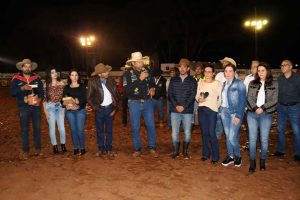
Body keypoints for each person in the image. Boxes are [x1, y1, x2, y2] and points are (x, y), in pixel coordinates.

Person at [123, 51, 158, 157]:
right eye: (138, 61)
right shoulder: (127, 74)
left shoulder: (147, 70)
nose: (141, 63)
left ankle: (152, 147)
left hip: (147, 102)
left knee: (151, 125)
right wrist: (139, 79)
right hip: (134, 103)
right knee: (135, 127)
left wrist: (153, 89)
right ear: (133, 63)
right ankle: (137, 149)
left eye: (141, 61)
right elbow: (127, 90)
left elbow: (152, 83)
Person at [10, 58, 44, 160]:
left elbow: (41, 92)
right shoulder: (16, 79)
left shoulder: (36, 78)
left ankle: (38, 149)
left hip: (35, 107)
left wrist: (39, 100)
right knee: (25, 129)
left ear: (31, 68)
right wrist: (22, 88)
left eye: (29, 66)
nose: (27, 68)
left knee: (37, 128)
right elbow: (12, 92)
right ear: (22, 67)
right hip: (23, 107)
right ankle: (26, 150)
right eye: (25, 66)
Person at [247, 62, 278, 172]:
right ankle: (252, 162)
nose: (260, 72)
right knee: (252, 139)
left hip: (266, 114)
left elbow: (274, 99)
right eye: (258, 70)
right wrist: (256, 108)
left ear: (267, 71)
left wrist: (263, 108)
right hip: (252, 114)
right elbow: (249, 98)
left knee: (264, 139)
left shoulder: (274, 83)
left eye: (262, 70)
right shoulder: (252, 83)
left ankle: (262, 161)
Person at [87, 63, 118, 159]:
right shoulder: (92, 82)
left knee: (109, 130)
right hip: (99, 109)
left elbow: (117, 96)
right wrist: (96, 107)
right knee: (99, 130)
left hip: (109, 109)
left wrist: (114, 109)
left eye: (107, 71)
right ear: (99, 74)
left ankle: (108, 148)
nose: (107, 73)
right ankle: (101, 149)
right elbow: (89, 97)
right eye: (105, 72)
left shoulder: (111, 81)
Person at [168, 58, 197, 159]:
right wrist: (176, 105)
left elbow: (192, 95)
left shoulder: (192, 80)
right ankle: (176, 151)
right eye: (181, 67)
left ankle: (185, 152)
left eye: (185, 67)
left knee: (187, 132)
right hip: (174, 110)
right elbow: (170, 95)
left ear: (188, 68)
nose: (182, 69)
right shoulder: (173, 79)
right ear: (179, 68)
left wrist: (184, 106)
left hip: (187, 111)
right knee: (174, 132)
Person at [273, 60, 300, 161]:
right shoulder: (279, 79)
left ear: (290, 67)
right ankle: (280, 150)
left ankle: (298, 152)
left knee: (296, 131)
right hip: (281, 107)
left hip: (295, 107)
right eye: (281, 65)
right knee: (280, 129)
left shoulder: (297, 79)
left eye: (285, 65)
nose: (282, 67)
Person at [220, 63, 246, 167]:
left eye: (230, 71)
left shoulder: (240, 84)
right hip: (224, 112)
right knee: (227, 136)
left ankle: (237, 156)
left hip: (235, 113)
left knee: (232, 137)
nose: (228, 73)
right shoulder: (223, 84)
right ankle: (230, 156)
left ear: (234, 72)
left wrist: (239, 115)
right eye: (226, 71)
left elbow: (243, 101)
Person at [195, 65, 222, 164]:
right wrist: (199, 100)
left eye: (209, 72)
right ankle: (206, 154)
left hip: (212, 111)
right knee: (204, 133)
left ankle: (216, 155)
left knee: (211, 133)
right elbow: (197, 95)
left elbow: (220, 98)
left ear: (213, 73)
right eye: (206, 71)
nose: (207, 74)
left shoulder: (217, 83)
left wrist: (215, 107)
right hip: (201, 109)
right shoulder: (200, 82)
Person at [63, 69, 87, 156]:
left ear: (78, 76)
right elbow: (62, 100)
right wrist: (66, 105)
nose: (74, 77)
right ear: (70, 77)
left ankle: (82, 147)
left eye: (76, 75)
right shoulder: (66, 87)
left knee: (80, 130)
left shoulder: (82, 86)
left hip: (80, 110)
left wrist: (78, 103)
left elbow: (85, 99)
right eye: (72, 75)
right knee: (73, 130)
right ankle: (75, 148)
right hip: (70, 112)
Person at [43, 68, 67, 154]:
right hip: (50, 107)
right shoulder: (46, 85)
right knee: (52, 129)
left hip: (60, 107)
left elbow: (64, 98)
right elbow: (44, 99)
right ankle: (55, 146)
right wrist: (45, 112)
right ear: (49, 74)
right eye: (52, 72)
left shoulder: (62, 84)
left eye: (55, 72)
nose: (55, 74)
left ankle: (63, 145)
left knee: (62, 128)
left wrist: (64, 109)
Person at [215, 57, 238, 139]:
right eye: (223, 62)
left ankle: (227, 134)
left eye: (226, 62)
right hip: (219, 100)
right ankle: (218, 133)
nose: (224, 64)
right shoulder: (219, 75)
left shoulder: (235, 76)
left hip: (230, 102)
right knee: (218, 118)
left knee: (227, 118)